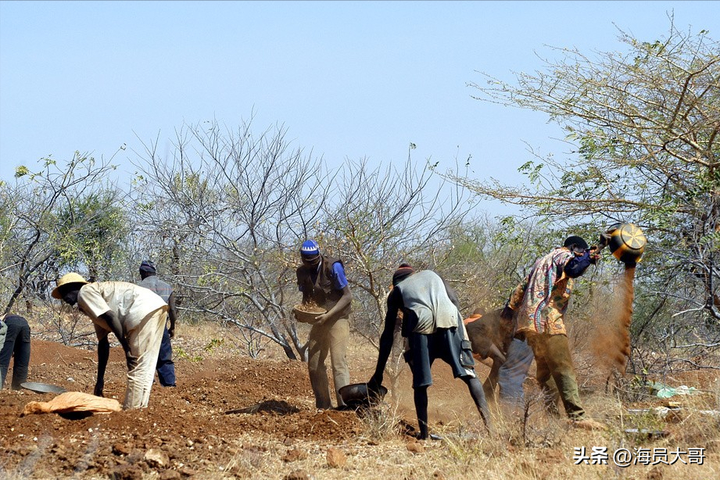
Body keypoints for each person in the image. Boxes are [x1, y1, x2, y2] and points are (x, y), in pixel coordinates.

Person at [368, 264, 491, 440]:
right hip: (449, 318)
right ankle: (491, 429)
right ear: (413, 274)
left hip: (421, 326)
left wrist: (378, 374)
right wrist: (458, 332)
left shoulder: (397, 291)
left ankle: (424, 435)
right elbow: (454, 301)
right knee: (470, 374)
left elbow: (388, 335)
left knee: (421, 383)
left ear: (396, 282)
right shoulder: (433, 275)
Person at [498, 235, 603, 427]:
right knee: (564, 368)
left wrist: (506, 322)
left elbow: (517, 293)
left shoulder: (540, 262)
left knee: (546, 375)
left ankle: (553, 420)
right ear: (574, 248)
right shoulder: (562, 256)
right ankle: (577, 416)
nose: (579, 257)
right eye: (579, 253)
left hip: (529, 326)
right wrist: (597, 250)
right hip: (548, 323)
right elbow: (574, 268)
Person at [51, 272, 169, 409]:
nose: (64, 299)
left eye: (64, 293)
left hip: (141, 309)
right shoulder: (95, 303)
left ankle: (132, 412)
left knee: (136, 364)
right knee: (146, 364)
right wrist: (100, 380)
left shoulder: (85, 292)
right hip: (155, 306)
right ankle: (140, 408)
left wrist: (126, 348)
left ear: (73, 288)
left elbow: (111, 317)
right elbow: (103, 344)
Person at [296, 239, 352, 410]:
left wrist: (328, 316)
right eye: (307, 261)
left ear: (318, 256)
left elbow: (347, 296)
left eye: (313, 260)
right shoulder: (302, 272)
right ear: (303, 259)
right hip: (320, 319)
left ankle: (344, 408)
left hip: (337, 318)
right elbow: (307, 299)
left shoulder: (332, 267)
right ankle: (323, 406)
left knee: (338, 363)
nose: (310, 264)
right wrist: (302, 313)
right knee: (314, 364)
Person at [138, 260, 177, 387]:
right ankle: (169, 385)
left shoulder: (137, 288)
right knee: (165, 357)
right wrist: (172, 327)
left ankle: (146, 385)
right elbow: (172, 310)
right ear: (154, 272)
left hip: (143, 326)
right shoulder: (166, 287)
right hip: (161, 325)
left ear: (142, 273)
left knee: (144, 357)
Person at [0, 314, 31, 390]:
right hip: (25, 324)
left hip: (10, 324)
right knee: (22, 364)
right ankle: (18, 389)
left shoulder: (2, 322)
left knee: (2, 363)